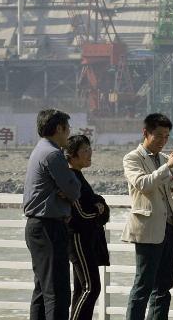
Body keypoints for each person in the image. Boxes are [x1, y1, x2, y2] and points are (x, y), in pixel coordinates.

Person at [122, 113, 173, 320]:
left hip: (169, 228)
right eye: (159, 136)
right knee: (143, 285)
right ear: (146, 133)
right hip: (148, 229)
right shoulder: (132, 158)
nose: (163, 141)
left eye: (167, 137)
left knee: (164, 287)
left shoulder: (163, 159)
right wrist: (169, 166)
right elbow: (143, 183)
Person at [23, 109, 82, 320]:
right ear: (59, 128)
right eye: (68, 129)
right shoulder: (53, 154)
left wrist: (62, 191)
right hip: (49, 228)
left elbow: (65, 190)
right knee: (58, 293)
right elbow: (74, 191)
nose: (69, 134)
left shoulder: (40, 149)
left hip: (37, 227)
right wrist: (67, 191)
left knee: (42, 290)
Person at [64, 135, 110, 320]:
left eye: (90, 148)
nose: (90, 153)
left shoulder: (77, 175)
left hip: (86, 237)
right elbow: (82, 213)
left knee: (82, 288)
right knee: (91, 287)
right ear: (72, 155)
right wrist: (98, 208)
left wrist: (100, 205)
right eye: (85, 150)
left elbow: (97, 206)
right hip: (78, 238)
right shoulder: (70, 177)